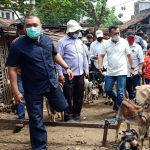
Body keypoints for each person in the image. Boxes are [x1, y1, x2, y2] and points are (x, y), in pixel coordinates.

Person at [6, 16, 73, 150]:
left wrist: (66, 67)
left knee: (62, 106)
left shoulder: (47, 40)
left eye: (35, 25)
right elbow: (12, 69)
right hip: (32, 88)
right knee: (36, 120)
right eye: (29, 25)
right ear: (24, 28)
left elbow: (55, 54)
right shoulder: (17, 45)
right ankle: (39, 147)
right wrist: (16, 92)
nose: (32, 28)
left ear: (41, 26)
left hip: (51, 84)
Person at [56, 19, 89, 122]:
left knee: (79, 94)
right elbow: (58, 59)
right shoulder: (62, 42)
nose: (78, 33)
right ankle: (68, 116)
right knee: (68, 96)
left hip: (80, 73)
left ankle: (76, 114)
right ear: (70, 31)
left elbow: (84, 57)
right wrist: (60, 74)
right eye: (76, 31)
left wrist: (86, 69)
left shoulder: (79, 42)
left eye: (78, 31)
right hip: (68, 74)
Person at [98, 25, 134, 113]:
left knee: (120, 92)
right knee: (107, 89)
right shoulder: (106, 44)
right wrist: (100, 65)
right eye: (115, 34)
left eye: (118, 33)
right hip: (110, 72)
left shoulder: (124, 42)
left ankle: (118, 111)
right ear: (110, 34)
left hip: (122, 71)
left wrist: (132, 68)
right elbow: (101, 55)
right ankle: (117, 101)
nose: (117, 35)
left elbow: (129, 55)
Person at [126, 32, 144, 100]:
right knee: (127, 86)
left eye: (132, 38)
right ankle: (131, 96)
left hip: (136, 70)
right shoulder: (124, 46)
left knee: (137, 87)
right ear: (126, 37)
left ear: (134, 38)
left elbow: (141, 60)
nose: (130, 39)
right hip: (126, 71)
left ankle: (137, 99)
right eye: (129, 38)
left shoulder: (138, 47)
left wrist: (140, 69)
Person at [90, 30, 107, 95]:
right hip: (97, 64)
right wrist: (93, 56)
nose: (99, 38)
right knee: (98, 78)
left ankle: (106, 92)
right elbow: (90, 55)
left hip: (106, 63)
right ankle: (100, 91)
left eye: (100, 37)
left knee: (106, 78)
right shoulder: (93, 44)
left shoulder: (107, 43)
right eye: (98, 37)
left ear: (103, 36)